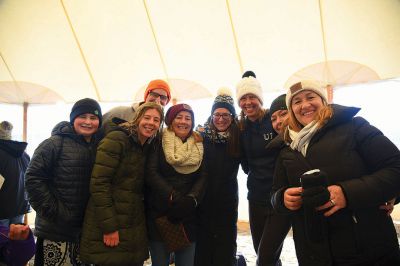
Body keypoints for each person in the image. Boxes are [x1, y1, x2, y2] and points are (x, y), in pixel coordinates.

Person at [271, 80, 400, 265]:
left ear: (323, 100)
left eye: (310, 97)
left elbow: (395, 167)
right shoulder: (286, 149)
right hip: (313, 253)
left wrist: (347, 193)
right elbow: (275, 193)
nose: (305, 105)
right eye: (297, 101)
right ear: (292, 110)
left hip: (366, 248)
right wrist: (282, 198)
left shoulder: (354, 128)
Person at [80, 102, 163, 266]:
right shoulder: (116, 139)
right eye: (147, 117)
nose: (150, 123)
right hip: (110, 225)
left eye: (156, 120)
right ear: (137, 118)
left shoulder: (144, 146)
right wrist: (109, 228)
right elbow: (99, 185)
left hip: (131, 227)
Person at [25, 98, 103, 265]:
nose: (88, 122)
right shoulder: (54, 144)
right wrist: (54, 211)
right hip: (56, 230)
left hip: (86, 231)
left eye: (93, 117)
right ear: (73, 118)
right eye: (83, 116)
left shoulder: (100, 147)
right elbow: (33, 178)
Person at [236, 71, 289, 266]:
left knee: (266, 255)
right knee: (261, 250)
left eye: (252, 97)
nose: (248, 102)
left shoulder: (273, 121)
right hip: (255, 197)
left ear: (260, 99)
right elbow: (245, 161)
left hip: (278, 196)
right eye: (243, 98)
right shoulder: (241, 127)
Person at [145, 103, 207, 266]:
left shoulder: (199, 143)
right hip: (160, 212)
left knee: (186, 262)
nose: (183, 121)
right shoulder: (159, 140)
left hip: (188, 212)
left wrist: (192, 199)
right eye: (179, 117)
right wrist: (172, 195)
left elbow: (203, 175)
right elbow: (151, 172)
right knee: (160, 262)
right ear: (171, 121)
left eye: (188, 118)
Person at [194, 88, 241, 266]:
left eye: (225, 115)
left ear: (232, 116)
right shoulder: (201, 136)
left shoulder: (238, 136)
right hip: (203, 199)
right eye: (217, 114)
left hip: (227, 200)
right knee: (203, 246)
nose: (220, 119)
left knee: (226, 245)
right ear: (212, 115)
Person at [0, 121, 30, 227]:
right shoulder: (24, 155)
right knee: (16, 241)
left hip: (2, 209)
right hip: (20, 205)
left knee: (3, 242)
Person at [102, 79, 171, 123]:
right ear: (147, 95)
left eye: (163, 97)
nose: (157, 100)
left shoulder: (160, 124)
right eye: (154, 94)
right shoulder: (119, 112)